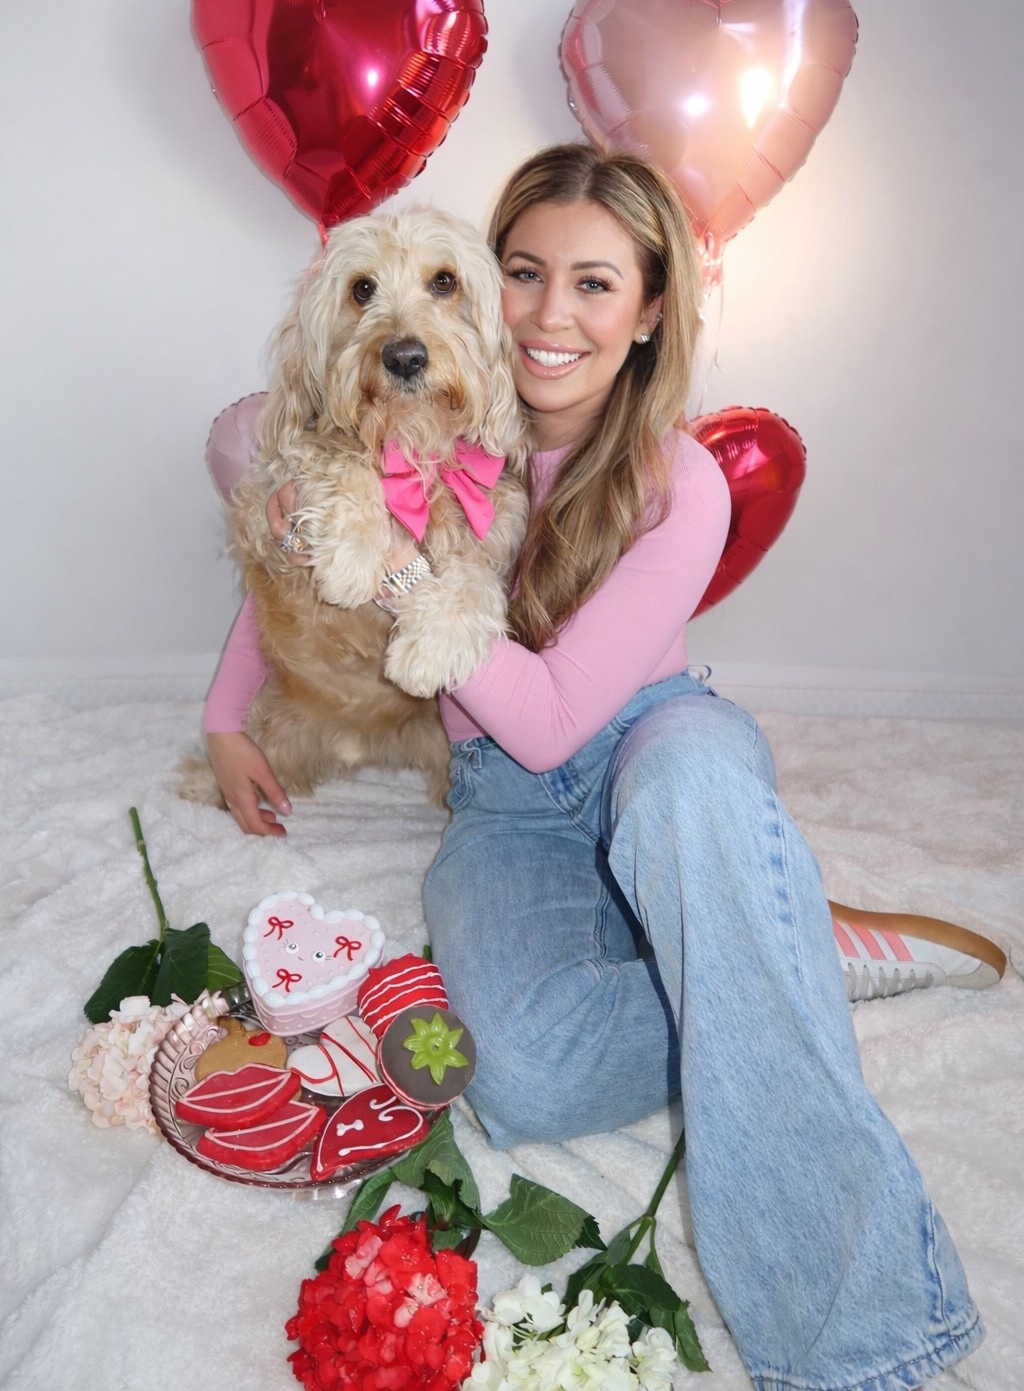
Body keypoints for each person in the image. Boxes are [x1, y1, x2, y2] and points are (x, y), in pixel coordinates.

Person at [202, 144, 1002, 1390]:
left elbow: (552, 718)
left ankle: (867, 1343)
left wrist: (407, 566)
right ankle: (778, 943)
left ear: (644, 318)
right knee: (516, 1076)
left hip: (652, 745)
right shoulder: (431, 415)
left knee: (685, 791)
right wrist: (226, 716)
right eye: (522, 274)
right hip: (503, 816)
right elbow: (278, 509)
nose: (548, 315)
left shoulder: (677, 479)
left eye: (593, 285)